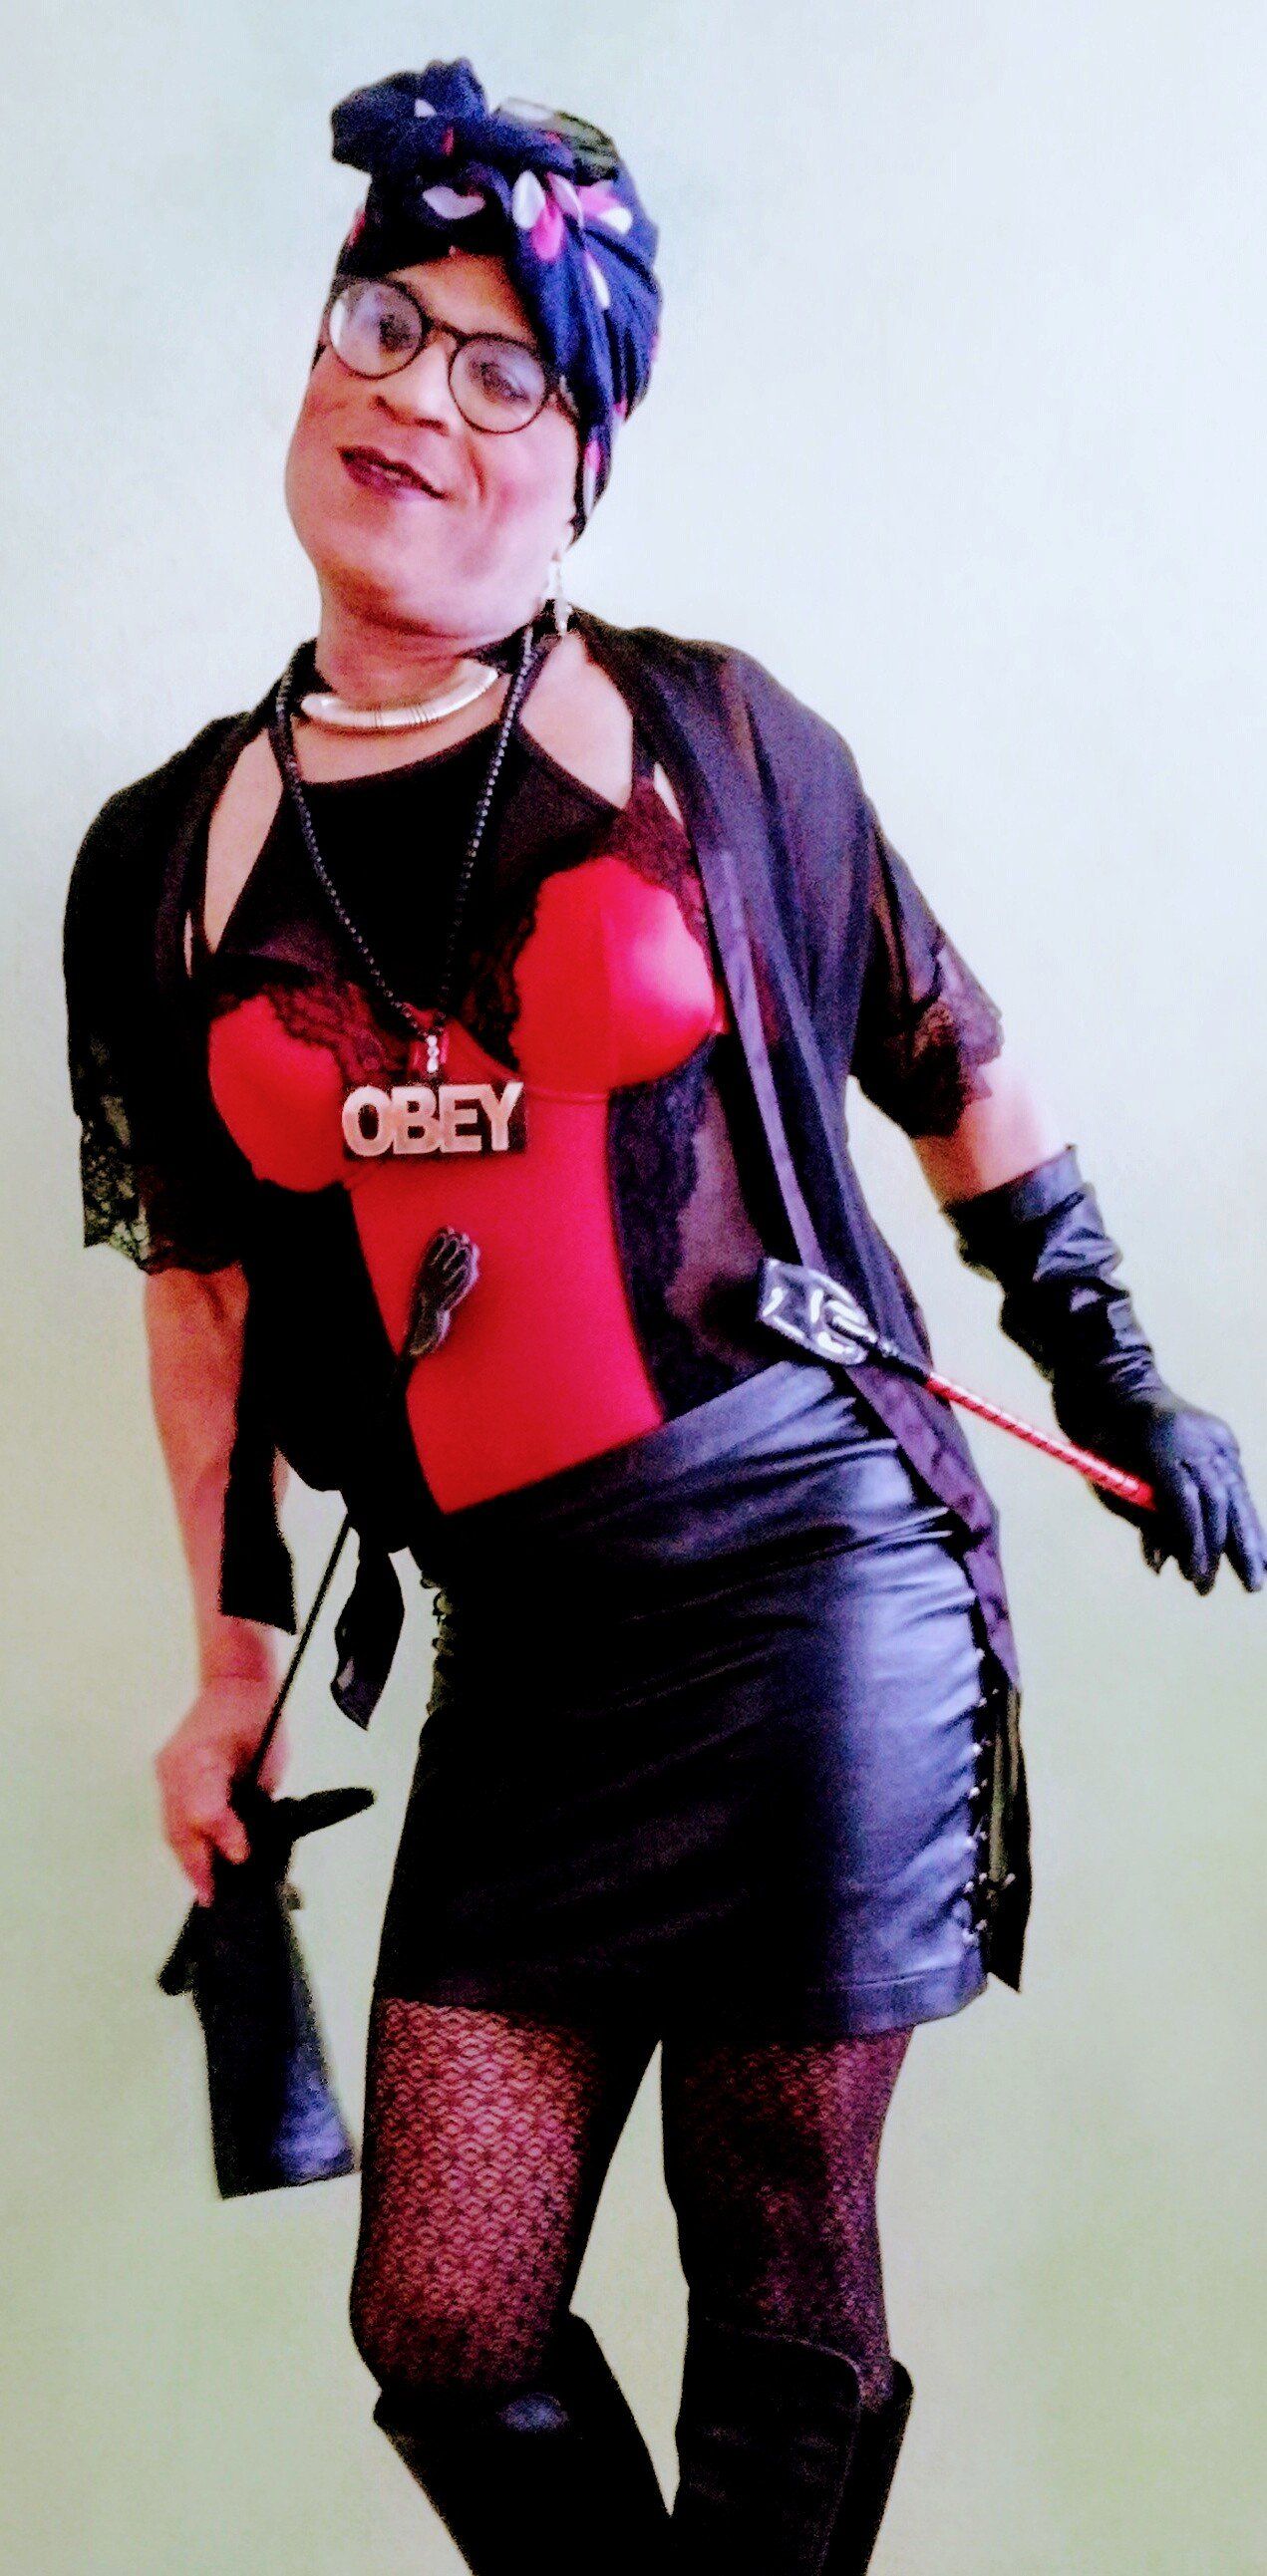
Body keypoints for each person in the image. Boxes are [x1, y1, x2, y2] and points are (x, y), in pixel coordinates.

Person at [62, 60, 1264, 2576]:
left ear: (584, 467)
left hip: (811, 1577)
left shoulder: (714, 743)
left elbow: (951, 1057)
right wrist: (227, 1664)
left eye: (506, 370)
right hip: (525, 1642)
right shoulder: (167, 860)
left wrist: (1119, 1373)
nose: (420, 396)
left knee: (777, 2272)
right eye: (381, 326)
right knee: (444, 2322)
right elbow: (202, 1286)